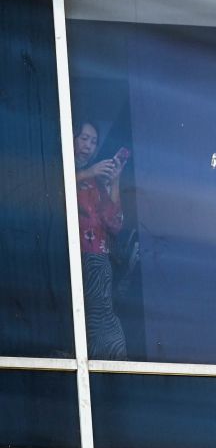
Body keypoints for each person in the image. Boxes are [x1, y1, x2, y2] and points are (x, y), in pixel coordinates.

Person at [74, 122, 128, 360]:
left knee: (106, 325)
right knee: (90, 325)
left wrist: (114, 181)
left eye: (93, 142)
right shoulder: (61, 168)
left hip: (100, 261)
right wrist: (88, 173)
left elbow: (115, 223)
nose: (88, 146)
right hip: (77, 258)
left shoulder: (96, 182)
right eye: (84, 138)